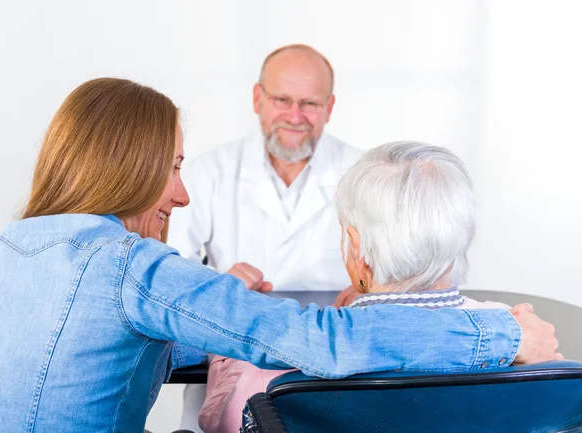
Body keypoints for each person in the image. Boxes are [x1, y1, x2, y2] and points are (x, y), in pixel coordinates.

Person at [0, 78, 560, 433]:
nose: (182, 195)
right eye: (175, 168)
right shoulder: (131, 266)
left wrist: (212, 305)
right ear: (127, 166)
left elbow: (95, 341)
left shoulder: (10, 249)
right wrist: (506, 336)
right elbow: (329, 344)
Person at [198, 141, 550, 433]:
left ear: (356, 246)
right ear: (459, 235)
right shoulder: (520, 337)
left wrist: (230, 343)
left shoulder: (271, 370)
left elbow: (225, 421)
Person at [167, 44, 361, 431]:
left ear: (330, 107)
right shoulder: (210, 170)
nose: (294, 116)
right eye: (282, 100)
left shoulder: (365, 172)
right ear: (257, 99)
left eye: (309, 103)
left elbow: (402, 264)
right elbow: (168, 263)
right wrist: (220, 288)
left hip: (335, 362)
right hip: (234, 360)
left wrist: (372, 290)